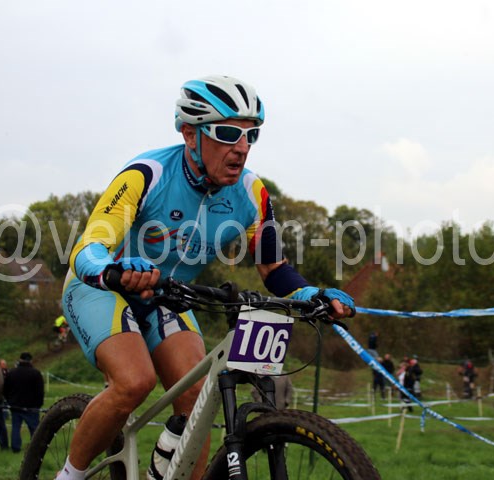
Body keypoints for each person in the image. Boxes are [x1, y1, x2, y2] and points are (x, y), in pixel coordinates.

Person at [59, 75, 354, 480]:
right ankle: (69, 475)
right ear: (189, 134)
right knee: (134, 382)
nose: (242, 148)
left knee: (199, 399)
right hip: (103, 287)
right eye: (229, 134)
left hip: (169, 296)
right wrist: (112, 269)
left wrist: (310, 294)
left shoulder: (251, 194)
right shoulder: (148, 174)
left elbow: (273, 268)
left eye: (251, 135)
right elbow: (89, 247)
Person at [4, 352, 44, 453]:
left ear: (20, 360)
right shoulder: (35, 373)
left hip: (15, 405)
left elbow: (5, 389)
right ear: (30, 360)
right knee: (34, 428)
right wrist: (39, 404)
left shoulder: (11, 372)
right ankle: (35, 447)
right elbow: (40, 391)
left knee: (16, 427)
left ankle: (15, 447)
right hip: (32, 406)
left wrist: (9, 401)